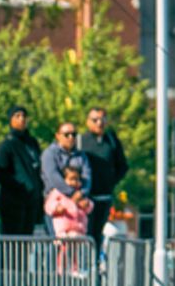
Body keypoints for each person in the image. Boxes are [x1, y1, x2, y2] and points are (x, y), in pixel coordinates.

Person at [77, 106, 129, 249]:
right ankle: (83, 266)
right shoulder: (80, 141)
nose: (99, 123)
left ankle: (95, 264)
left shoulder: (111, 140)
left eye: (102, 119)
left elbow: (122, 166)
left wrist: (110, 182)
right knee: (84, 232)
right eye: (95, 120)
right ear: (88, 122)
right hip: (85, 198)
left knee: (97, 233)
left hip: (104, 197)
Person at [0, 105, 43, 234]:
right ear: (10, 120)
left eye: (24, 116)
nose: (21, 119)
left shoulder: (32, 143)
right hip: (12, 202)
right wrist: (19, 186)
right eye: (17, 116)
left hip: (31, 201)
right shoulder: (7, 145)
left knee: (26, 242)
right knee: (12, 244)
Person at [42, 121, 91, 199]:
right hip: (57, 202)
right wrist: (72, 193)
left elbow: (87, 177)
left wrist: (82, 193)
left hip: (79, 200)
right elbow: (53, 177)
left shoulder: (81, 155)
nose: (71, 137)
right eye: (66, 134)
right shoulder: (49, 154)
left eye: (74, 134)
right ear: (57, 136)